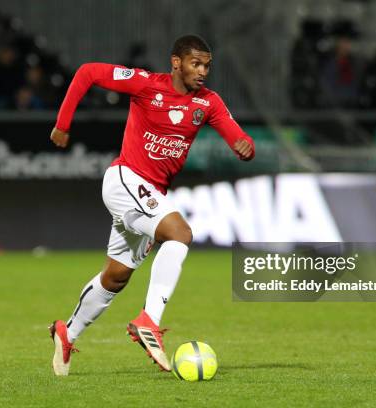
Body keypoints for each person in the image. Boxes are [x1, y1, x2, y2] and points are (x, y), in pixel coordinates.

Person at [48, 35, 255, 376]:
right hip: (126, 179)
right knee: (179, 233)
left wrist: (245, 146)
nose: (202, 71)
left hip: (150, 195)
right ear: (176, 62)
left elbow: (237, 137)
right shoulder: (145, 84)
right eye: (195, 63)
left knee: (115, 277)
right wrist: (63, 123)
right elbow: (86, 72)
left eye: (206, 65)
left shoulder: (209, 102)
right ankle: (149, 321)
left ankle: (66, 333)